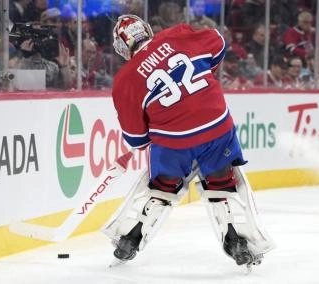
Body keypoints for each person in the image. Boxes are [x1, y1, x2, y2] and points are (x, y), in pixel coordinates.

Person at [104, 14, 274, 269]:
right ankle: (236, 240)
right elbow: (217, 42)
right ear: (147, 30)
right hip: (216, 125)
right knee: (221, 182)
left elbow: (138, 139)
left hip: (173, 141)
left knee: (162, 187)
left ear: (121, 46)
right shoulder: (176, 34)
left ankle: (131, 237)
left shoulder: (124, 80)